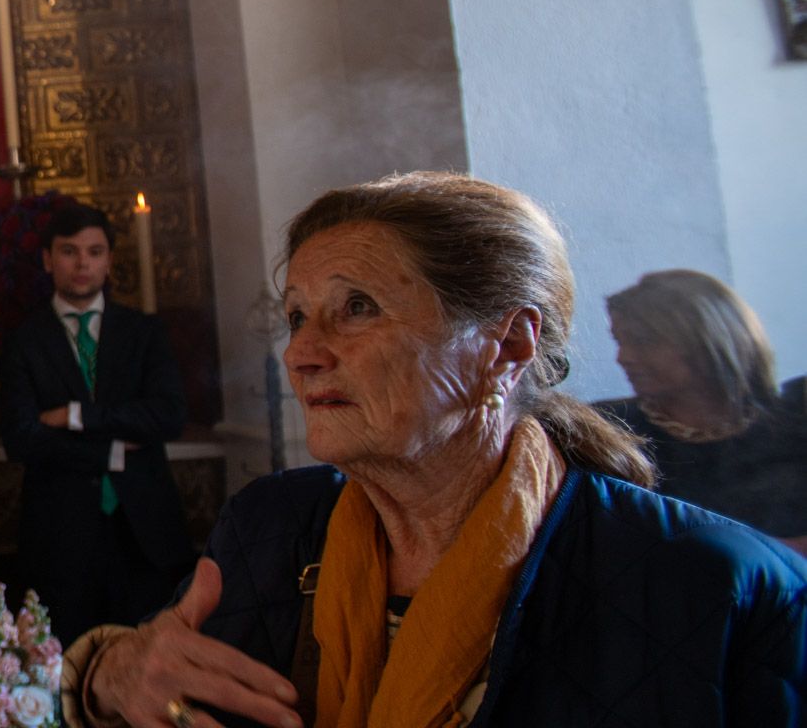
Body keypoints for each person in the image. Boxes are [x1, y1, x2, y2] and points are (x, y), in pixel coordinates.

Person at [70, 172, 807, 728]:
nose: (302, 353)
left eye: (356, 307)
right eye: (297, 316)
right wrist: (106, 677)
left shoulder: (713, 584)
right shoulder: (266, 527)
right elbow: (161, 672)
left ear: (505, 345)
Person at [0, 200, 193, 643]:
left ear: (108, 260)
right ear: (48, 259)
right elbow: (22, 438)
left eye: (94, 251)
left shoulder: (143, 332)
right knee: (66, 675)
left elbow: (168, 415)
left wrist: (76, 415)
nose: (82, 262)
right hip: (60, 537)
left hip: (145, 534)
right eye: (69, 251)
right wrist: (111, 449)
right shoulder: (24, 342)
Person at [598, 269, 807, 554]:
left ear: (706, 340)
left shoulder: (795, 418)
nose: (623, 357)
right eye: (620, 341)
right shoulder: (609, 432)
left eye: (644, 342)